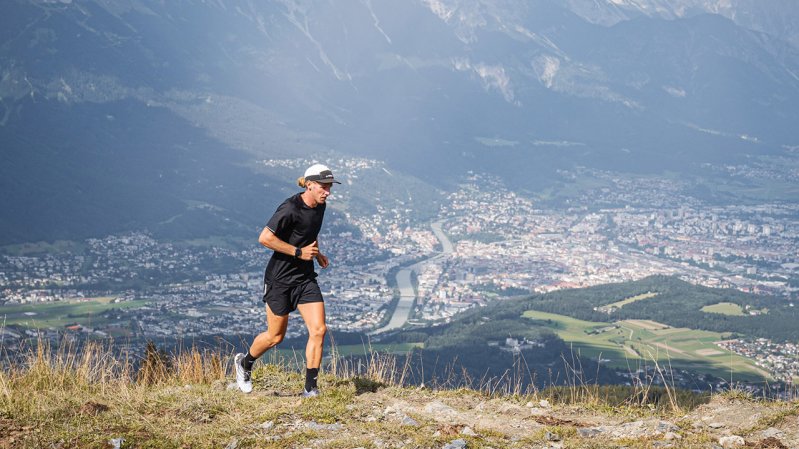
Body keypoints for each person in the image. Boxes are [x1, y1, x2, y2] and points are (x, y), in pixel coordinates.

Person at [234, 163, 340, 397]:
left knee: (319, 330)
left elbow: (310, 233)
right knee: (275, 337)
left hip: (305, 279)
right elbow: (264, 238)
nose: (327, 192)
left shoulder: (320, 207)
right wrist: (298, 252)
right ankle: (245, 364)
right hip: (280, 280)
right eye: (323, 187)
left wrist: (317, 253)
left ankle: (310, 389)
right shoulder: (290, 208)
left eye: (330, 187)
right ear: (309, 185)